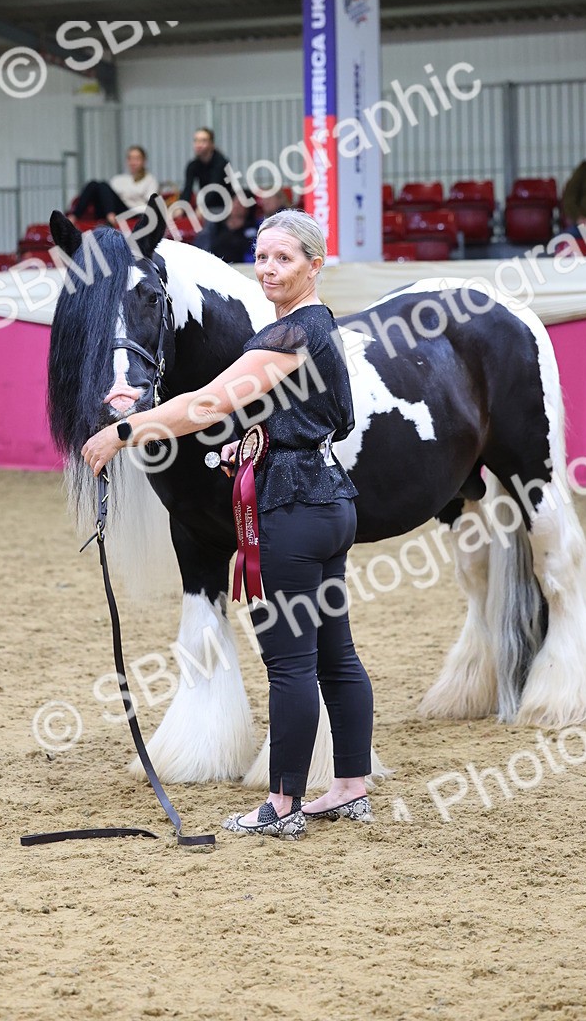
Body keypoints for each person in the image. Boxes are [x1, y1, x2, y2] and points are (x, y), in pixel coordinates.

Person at [82, 210, 375, 840]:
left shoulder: (290, 334)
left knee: (290, 663)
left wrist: (122, 432)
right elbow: (334, 418)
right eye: (262, 257)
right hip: (329, 500)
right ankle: (350, 787)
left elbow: (206, 404)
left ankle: (283, 804)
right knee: (336, 654)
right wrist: (268, 441)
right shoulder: (321, 327)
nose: (268, 269)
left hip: (293, 511)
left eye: (284, 259)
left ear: (315, 265)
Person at [68, 145, 159, 227]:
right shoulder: (118, 179)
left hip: (132, 212)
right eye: (130, 158)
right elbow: (107, 195)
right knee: (93, 184)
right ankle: (73, 217)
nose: (133, 162)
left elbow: (150, 204)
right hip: (112, 210)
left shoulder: (150, 180)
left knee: (103, 184)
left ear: (143, 161)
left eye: (136, 158)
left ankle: (111, 219)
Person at [177, 127, 232, 248]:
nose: (199, 144)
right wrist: (181, 207)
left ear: (211, 144)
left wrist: (202, 206)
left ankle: (203, 254)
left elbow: (215, 187)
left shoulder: (221, 162)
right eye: (196, 140)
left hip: (223, 204)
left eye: (203, 140)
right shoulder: (193, 165)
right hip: (207, 204)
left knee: (207, 225)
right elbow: (187, 189)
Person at [210, 195, 257, 264]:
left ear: (247, 208)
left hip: (241, 266)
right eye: (235, 202)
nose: (236, 206)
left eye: (240, 203)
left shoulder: (251, 227)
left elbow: (251, 251)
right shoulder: (218, 224)